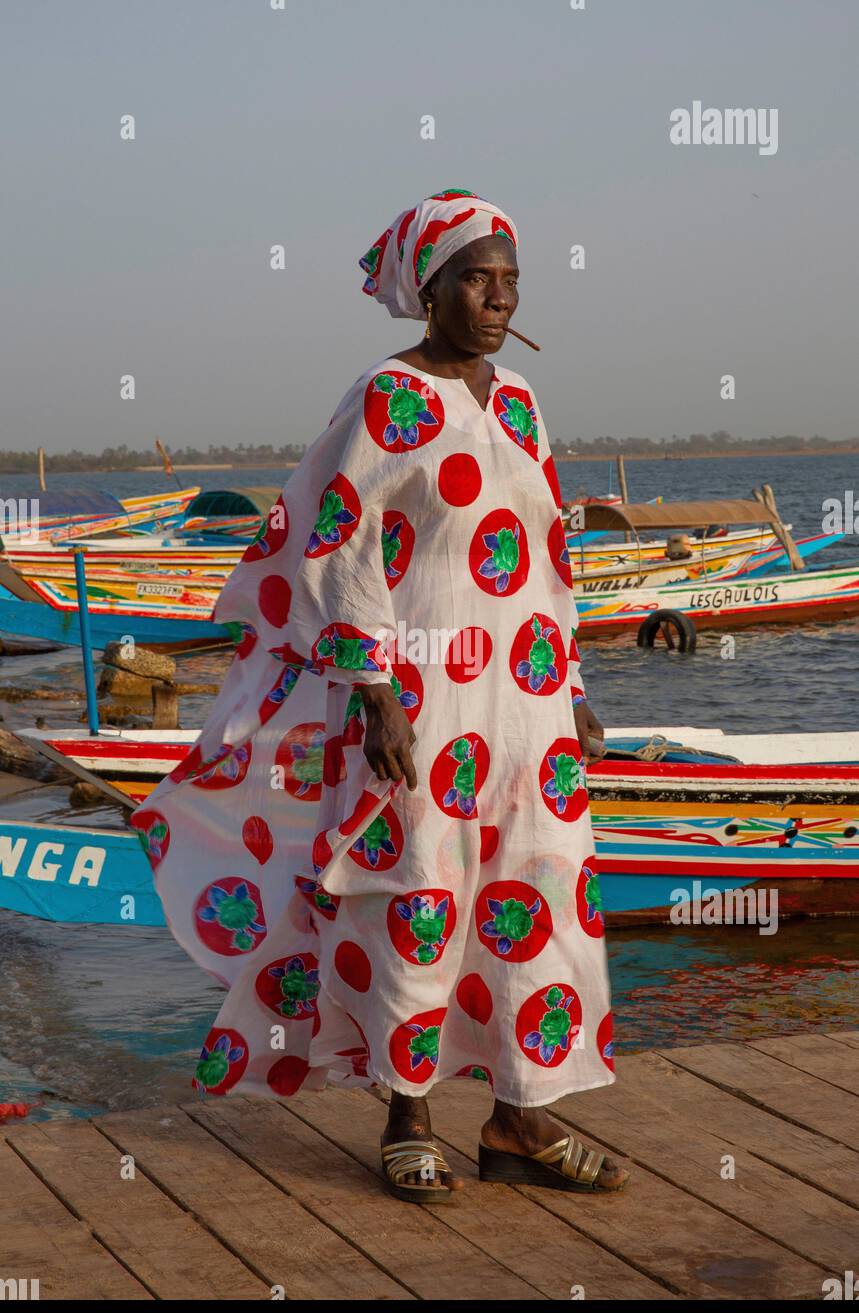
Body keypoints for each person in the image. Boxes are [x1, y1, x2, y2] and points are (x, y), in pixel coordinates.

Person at [131, 189, 630, 1203]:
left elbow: (547, 555)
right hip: (424, 698)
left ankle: (519, 1118)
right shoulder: (387, 398)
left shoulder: (521, 402)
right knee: (417, 896)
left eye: (509, 282)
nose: (497, 297)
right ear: (430, 288)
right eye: (476, 279)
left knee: (538, 898)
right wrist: (371, 691)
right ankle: (409, 1114)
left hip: (528, 700)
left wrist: (572, 684)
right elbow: (339, 542)